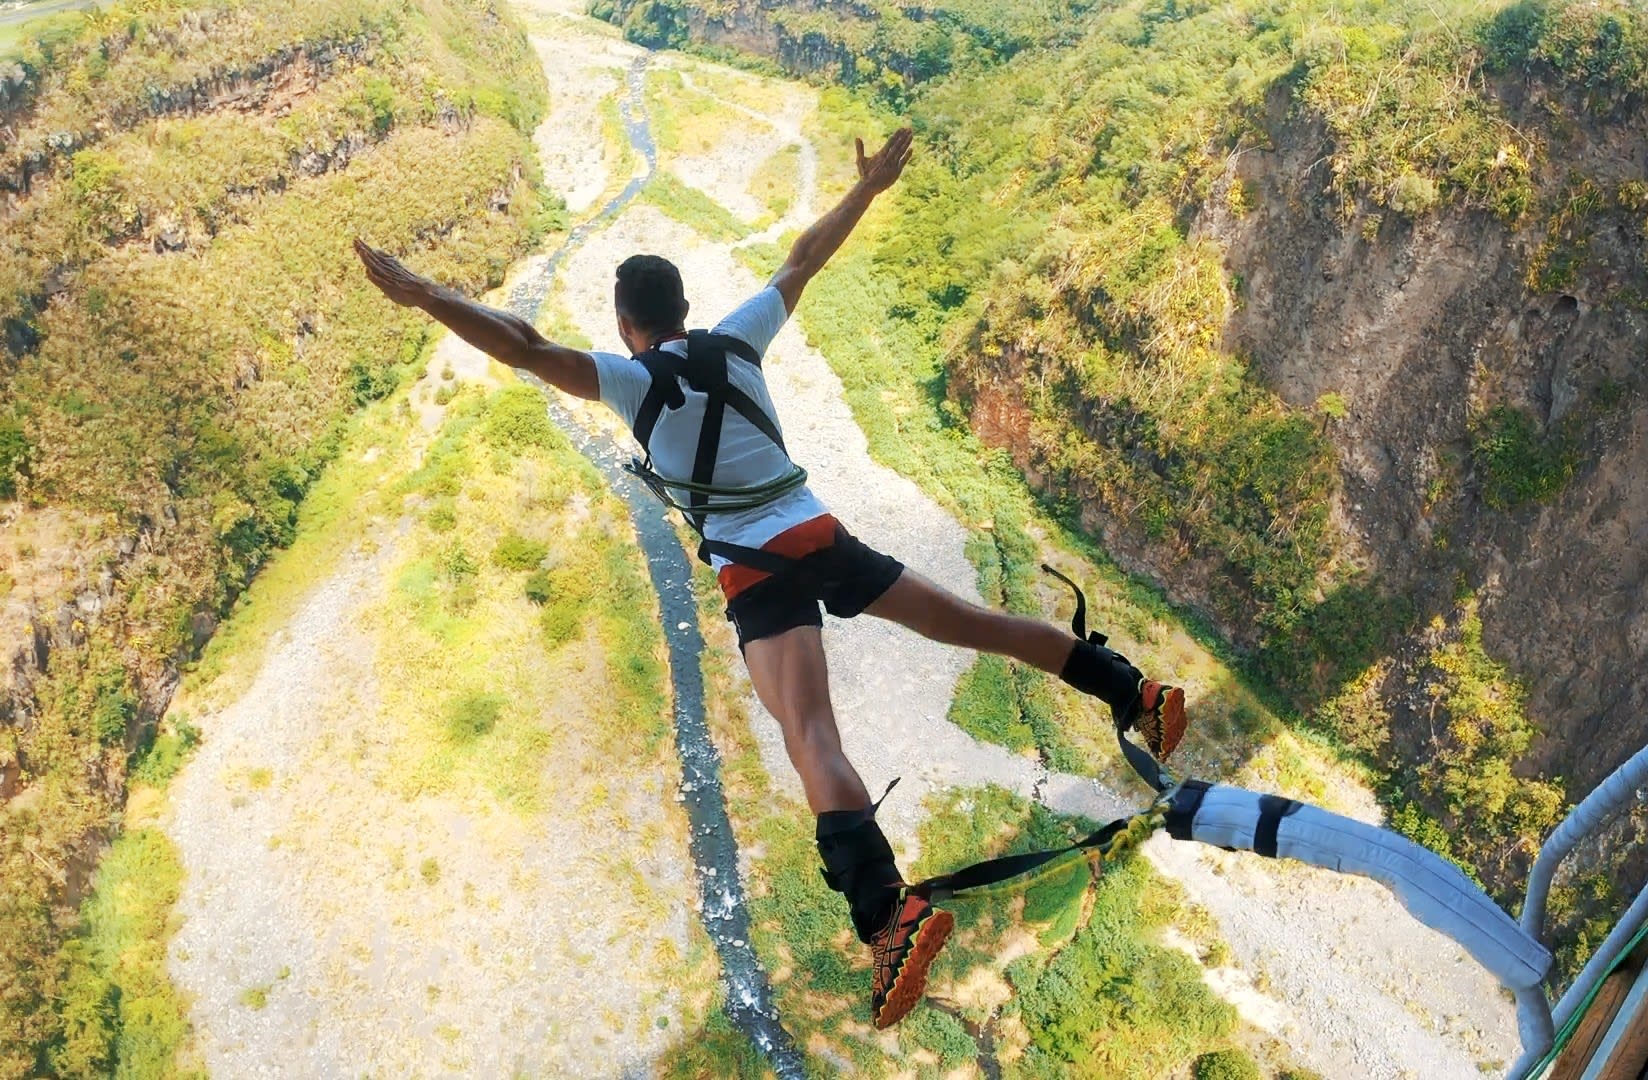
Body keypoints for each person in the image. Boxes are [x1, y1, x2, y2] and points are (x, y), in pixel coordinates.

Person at [353, 127, 1188, 1030]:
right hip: (818, 530)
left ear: (628, 325)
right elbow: (802, 259)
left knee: (809, 734)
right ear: (685, 306)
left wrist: (424, 294)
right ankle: (1131, 689)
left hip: (757, 572)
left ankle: (890, 915)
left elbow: (521, 344)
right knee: (966, 620)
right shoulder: (738, 337)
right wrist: (866, 189)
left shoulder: (629, 382)